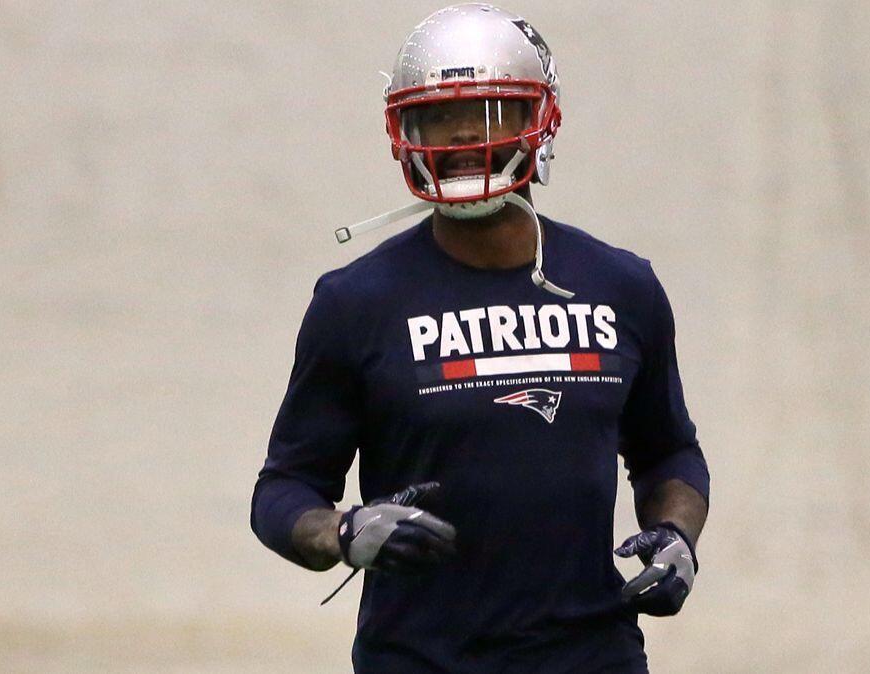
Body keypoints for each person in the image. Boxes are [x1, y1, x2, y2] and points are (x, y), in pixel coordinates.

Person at [250, 4, 709, 672]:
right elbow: (283, 490)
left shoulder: (621, 286)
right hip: (420, 660)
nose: (464, 136)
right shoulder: (356, 302)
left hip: (592, 656)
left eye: (489, 114)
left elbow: (669, 453)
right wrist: (343, 531)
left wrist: (677, 538)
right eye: (439, 117)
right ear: (404, 129)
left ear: (539, 121)